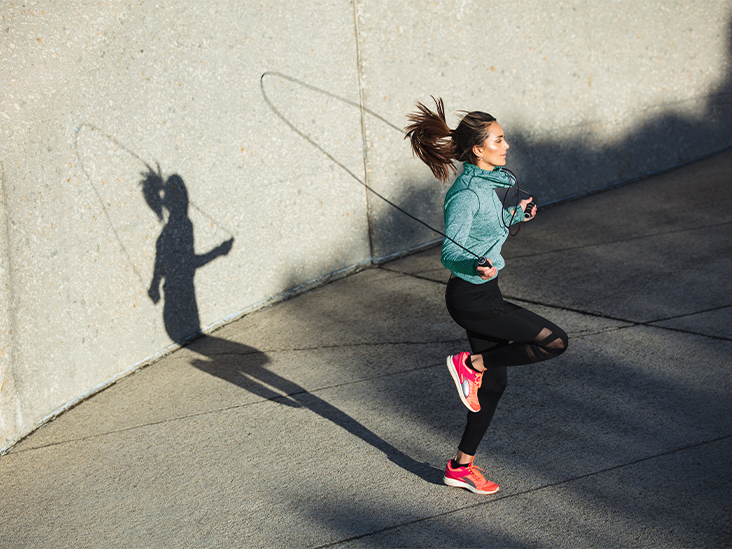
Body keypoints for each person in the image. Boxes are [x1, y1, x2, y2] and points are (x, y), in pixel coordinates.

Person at [405, 98, 568, 495]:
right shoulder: (465, 194)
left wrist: (516, 216)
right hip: (472, 298)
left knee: (494, 388)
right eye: (498, 139)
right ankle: (470, 363)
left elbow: (487, 226)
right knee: (554, 341)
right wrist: (474, 265)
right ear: (478, 150)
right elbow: (451, 251)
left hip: (484, 292)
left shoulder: (491, 183)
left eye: (504, 137)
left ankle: (460, 467)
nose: (506, 144)